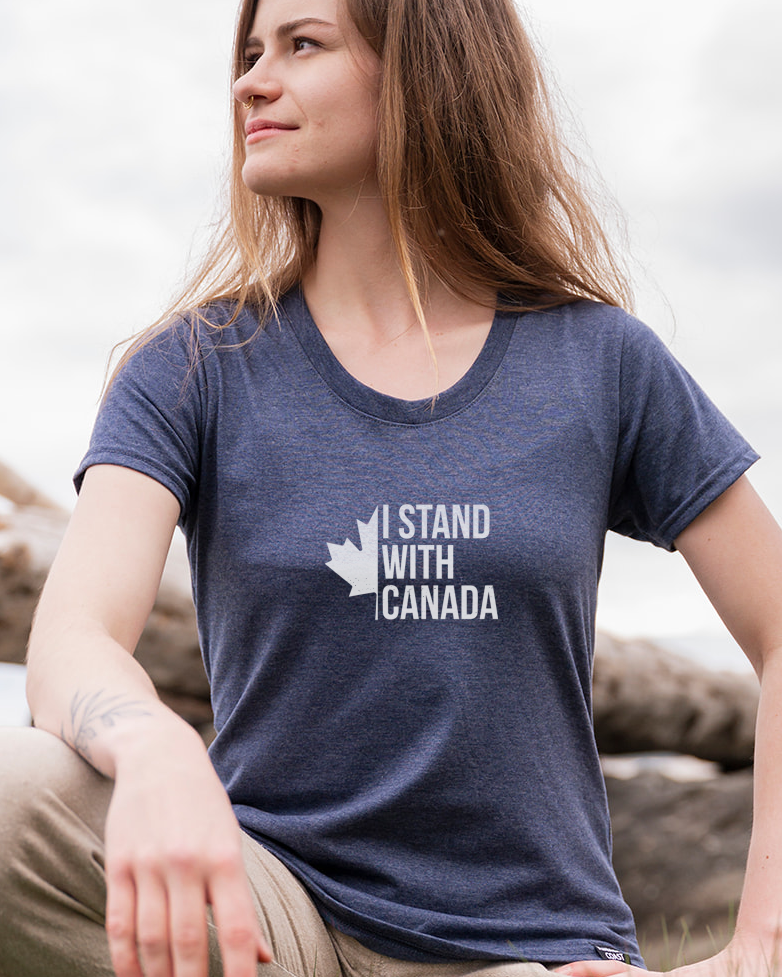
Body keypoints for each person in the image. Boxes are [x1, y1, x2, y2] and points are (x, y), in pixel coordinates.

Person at [1, 0, 780, 975]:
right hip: (271, 923)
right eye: (248, 51)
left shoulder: (599, 362)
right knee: (14, 785)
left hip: (529, 951)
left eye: (300, 44)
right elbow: (71, 636)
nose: (249, 78)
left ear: (424, 69)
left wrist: (759, 942)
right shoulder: (191, 368)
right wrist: (152, 745)